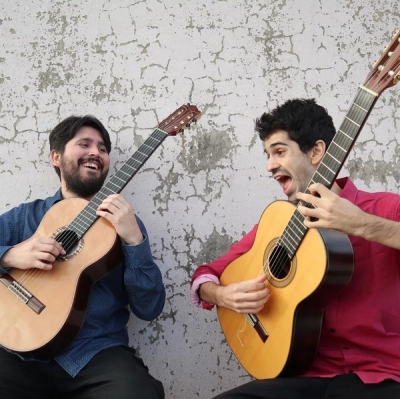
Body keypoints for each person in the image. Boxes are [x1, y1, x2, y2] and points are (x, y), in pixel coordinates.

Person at [190, 98, 400, 398]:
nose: (270, 165)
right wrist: (222, 294)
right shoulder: (280, 224)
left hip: (383, 376)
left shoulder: (384, 208)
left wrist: (362, 224)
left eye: (279, 151)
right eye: (268, 154)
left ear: (316, 152)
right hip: (306, 375)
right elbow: (206, 275)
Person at [0, 115, 166, 399]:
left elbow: (149, 308)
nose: (95, 152)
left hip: (97, 353)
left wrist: (135, 241)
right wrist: (9, 255)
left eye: (102, 149)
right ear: (56, 157)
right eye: (85, 144)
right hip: (18, 351)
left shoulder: (125, 223)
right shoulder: (27, 216)